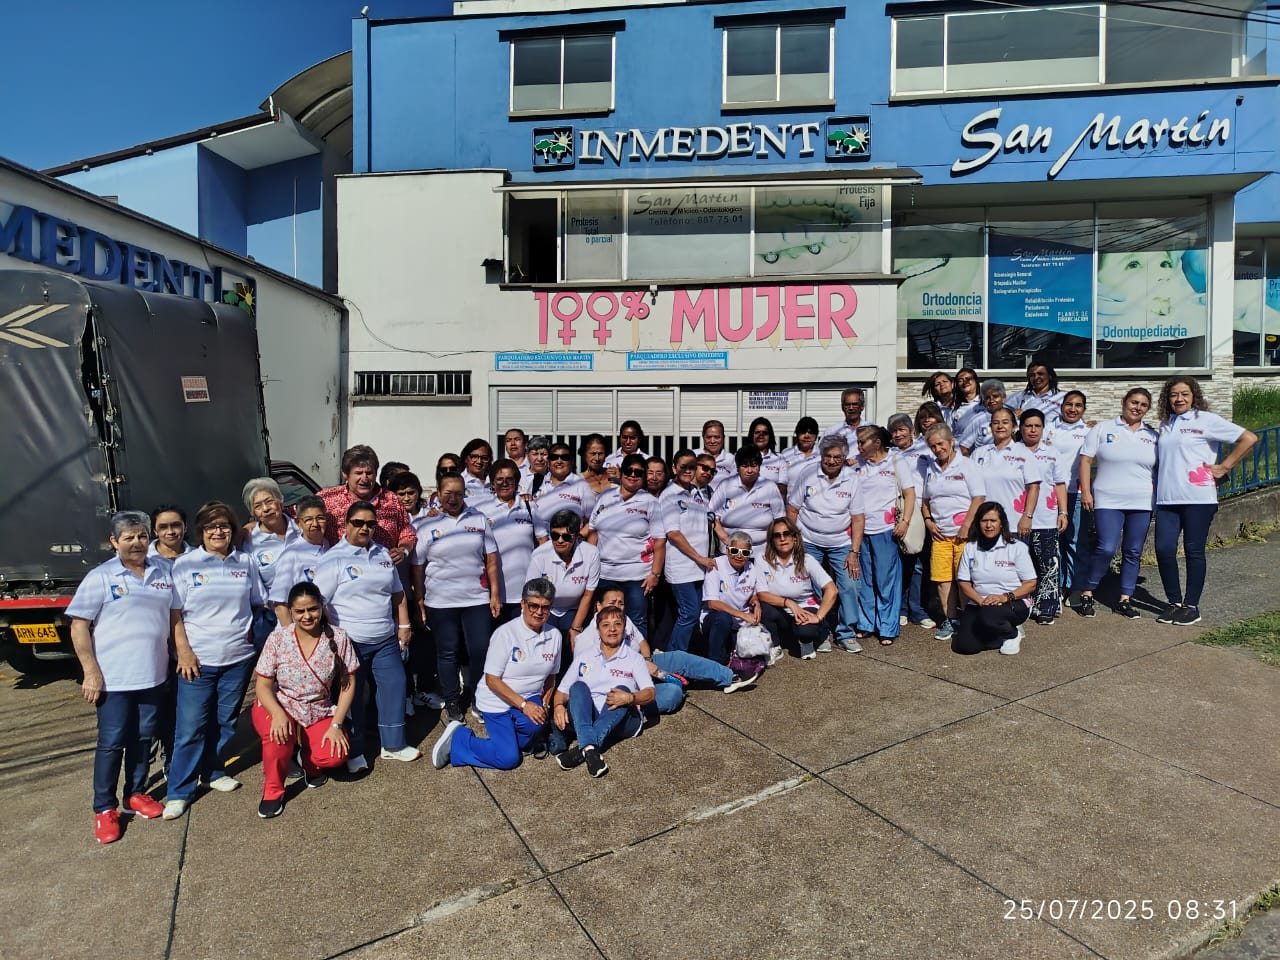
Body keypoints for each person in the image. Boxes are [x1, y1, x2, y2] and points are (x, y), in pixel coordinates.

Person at [67, 510, 177, 843]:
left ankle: (135, 794)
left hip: (152, 676)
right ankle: (104, 808)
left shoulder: (162, 572)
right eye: (128, 538)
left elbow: (174, 617)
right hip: (113, 680)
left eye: (142, 536)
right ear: (114, 542)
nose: (137, 543)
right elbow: (79, 626)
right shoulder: (101, 576)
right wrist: (90, 672)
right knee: (112, 743)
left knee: (143, 739)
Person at [164, 501, 264, 820]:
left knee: (225, 722)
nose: (218, 532)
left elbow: (259, 602)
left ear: (232, 530)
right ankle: (179, 791)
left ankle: (213, 771)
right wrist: (183, 651)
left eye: (224, 526)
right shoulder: (186, 564)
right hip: (198, 661)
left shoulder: (245, 562)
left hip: (238, 658)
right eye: (211, 527)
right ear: (201, 532)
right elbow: (174, 613)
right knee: (190, 728)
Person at [315, 500, 418, 771]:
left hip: (385, 638)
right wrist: (333, 634)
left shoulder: (382, 553)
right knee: (353, 696)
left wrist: (404, 625)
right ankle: (354, 751)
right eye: (358, 523)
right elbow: (319, 602)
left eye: (371, 524)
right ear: (345, 524)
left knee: (395, 684)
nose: (365, 528)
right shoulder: (333, 558)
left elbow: (398, 594)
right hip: (351, 641)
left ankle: (393, 745)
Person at [1153, 377, 1257, 625]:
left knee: (1193, 550)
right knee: (1164, 549)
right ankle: (1174, 603)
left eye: (1185, 394)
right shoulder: (1166, 424)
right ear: (1167, 398)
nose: (1179, 399)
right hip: (1167, 498)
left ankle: (1191, 606)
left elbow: (1249, 438)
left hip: (1198, 498)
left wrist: (1225, 466)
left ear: (1194, 396)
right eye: (1174, 394)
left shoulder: (1205, 420)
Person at [252, 582, 359, 818]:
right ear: (290, 611)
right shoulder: (278, 638)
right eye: (300, 611)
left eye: (312, 609)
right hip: (280, 704)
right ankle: (273, 791)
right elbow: (263, 686)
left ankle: (309, 762)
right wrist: (278, 714)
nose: (307, 616)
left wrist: (336, 724)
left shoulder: (339, 637)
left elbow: (348, 683)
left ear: (321, 607)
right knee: (278, 735)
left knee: (334, 755)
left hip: (317, 708)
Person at [432, 578, 562, 770]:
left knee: (536, 725)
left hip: (529, 695)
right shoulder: (505, 634)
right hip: (497, 700)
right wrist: (524, 705)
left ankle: (507, 741)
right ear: (522, 604)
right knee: (508, 759)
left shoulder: (555, 636)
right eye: (533, 605)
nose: (539, 612)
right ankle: (459, 740)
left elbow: (552, 675)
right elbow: (492, 680)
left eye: (545, 607)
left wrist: (545, 703)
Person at [574, 586, 759, 718]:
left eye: (620, 603)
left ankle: (731, 678)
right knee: (673, 694)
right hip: (624, 686)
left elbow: (642, 642)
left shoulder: (623, 619)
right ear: (598, 606)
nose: (617, 606)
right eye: (611, 603)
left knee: (680, 657)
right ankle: (636, 709)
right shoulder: (586, 639)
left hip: (644, 664)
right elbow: (591, 679)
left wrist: (647, 660)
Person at [413, 473, 502, 724]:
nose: (453, 498)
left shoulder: (478, 519)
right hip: (440, 601)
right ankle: (452, 701)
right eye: (448, 493)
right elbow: (417, 567)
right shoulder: (426, 524)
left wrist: (495, 594)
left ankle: (479, 699)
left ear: (465, 493)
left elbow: (491, 560)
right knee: (448, 652)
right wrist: (419, 601)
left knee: (480, 649)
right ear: (438, 493)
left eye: (459, 493)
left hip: (476, 599)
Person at [1076, 389, 1159, 620]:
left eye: (1143, 405)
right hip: (1108, 499)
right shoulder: (1102, 428)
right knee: (1106, 548)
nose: (1137, 407)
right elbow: (1085, 460)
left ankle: (1125, 599)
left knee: (1133, 551)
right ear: (1123, 402)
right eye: (1134, 402)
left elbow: (1165, 466)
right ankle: (1087, 591)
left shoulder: (1153, 436)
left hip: (1141, 501)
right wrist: (1086, 492)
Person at [552, 604, 655, 777]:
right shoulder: (584, 657)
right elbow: (562, 692)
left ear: (624, 628)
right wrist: (558, 706)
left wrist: (630, 698)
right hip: (592, 716)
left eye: (617, 624)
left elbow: (650, 693)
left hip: (623, 720)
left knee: (621, 690)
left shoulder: (634, 659)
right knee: (577, 687)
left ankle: (584, 747)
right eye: (606, 625)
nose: (612, 629)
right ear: (598, 630)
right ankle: (590, 750)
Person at [786, 435, 864, 652]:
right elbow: (792, 509)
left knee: (850, 584)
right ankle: (820, 632)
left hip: (841, 541)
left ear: (844, 458)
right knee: (813, 585)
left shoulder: (852, 478)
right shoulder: (808, 473)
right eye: (827, 456)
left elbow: (858, 518)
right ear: (821, 455)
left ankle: (846, 633)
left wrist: (854, 552)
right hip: (809, 539)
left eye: (837, 457)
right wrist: (795, 542)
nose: (831, 461)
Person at [584, 452, 666, 637]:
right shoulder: (605, 497)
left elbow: (660, 541)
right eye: (629, 471)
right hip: (604, 573)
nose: (633, 475)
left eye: (638, 472)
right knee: (603, 619)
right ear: (621, 473)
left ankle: (639, 655)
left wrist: (655, 574)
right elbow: (593, 532)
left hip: (636, 576)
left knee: (637, 621)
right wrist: (588, 566)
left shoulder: (650, 502)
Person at [920, 424, 986, 641]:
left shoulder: (967, 465)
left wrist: (967, 525)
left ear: (951, 442)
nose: (937, 449)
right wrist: (928, 521)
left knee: (964, 579)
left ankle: (968, 618)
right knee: (942, 580)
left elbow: (979, 497)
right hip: (940, 535)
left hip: (964, 535)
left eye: (941, 444)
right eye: (933, 446)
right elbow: (925, 500)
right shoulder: (931, 468)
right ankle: (950, 619)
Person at [853, 425, 914, 645]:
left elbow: (909, 494)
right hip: (860, 531)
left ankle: (887, 626)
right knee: (864, 580)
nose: (858, 446)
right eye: (857, 442)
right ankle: (866, 623)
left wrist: (905, 522)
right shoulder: (857, 463)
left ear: (877, 443)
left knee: (886, 580)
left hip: (886, 530)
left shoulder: (896, 461)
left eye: (862, 442)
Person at [951, 503, 1038, 656]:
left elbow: (1031, 584)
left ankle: (1011, 634)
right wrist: (980, 601)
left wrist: (1004, 597)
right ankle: (997, 634)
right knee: (965, 646)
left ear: (1001, 523)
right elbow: (963, 582)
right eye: (984, 521)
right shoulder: (971, 547)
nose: (989, 525)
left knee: (989, 615)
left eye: (993, 521)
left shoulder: (1016, 547)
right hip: (980, 602)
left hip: (1012, 601)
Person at [754, 516, 838, 661]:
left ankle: (806, 642)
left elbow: (832, 589)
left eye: (786, 533)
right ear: (772, 540)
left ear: (794, 537)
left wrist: (818, 616)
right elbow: (761, 594)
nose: (782, 538)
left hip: (805, 607)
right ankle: (775, 645)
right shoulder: (762, 558)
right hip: (780, 609)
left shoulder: (807, 560)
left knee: (806, 632)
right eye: (777, 535)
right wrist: (790, 604)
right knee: (764, 607)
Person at [657, 449, 716, 653]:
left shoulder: (697, 492)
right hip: (682, 567)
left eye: (692, 467)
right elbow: (673, 534)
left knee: (693, 613)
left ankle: (684, 652)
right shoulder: (669, 495)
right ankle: (675, 656)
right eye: (683, 467)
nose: (688, 471)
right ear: (674, 468)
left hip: (699, 567)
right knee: (689, 613)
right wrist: (700, 558)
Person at [318, 444, 417, 563]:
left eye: (369, 473)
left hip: (381, 570)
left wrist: (402, 550)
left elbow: (407, 534)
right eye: (358, 473)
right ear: (345, 474)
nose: (364, 479)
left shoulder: (392, 500)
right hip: (339, 569)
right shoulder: (326, 500)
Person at [1018, 409, 1070, 624]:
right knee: (1021, 564)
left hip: (1046, 517)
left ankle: (1047, 606)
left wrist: (1063, 512)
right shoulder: (1013, 451)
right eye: (1028, 425)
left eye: (1037, 426)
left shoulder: (1052, 452)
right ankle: (1022, 605)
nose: (1032, 430)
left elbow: (1060, 484)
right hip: (1017, 518)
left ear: (1043, 428)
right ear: (1020, 427)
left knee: (1047, 564)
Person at [887, 414, 935, 630]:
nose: (898, 434)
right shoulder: (890, 454)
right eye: (894, 431)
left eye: (901, 429)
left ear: (911, 430)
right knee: (903, 562)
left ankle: (917, 609)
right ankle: (902, 609)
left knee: (920, 564)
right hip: (900, 512)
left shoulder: (925, 450)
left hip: (923, 510)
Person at [525, 509, 600, 645]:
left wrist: (576, 628)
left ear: (576, 536)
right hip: (545, 608)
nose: (559, 541)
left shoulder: (591, 553)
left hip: (574, 608)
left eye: (566, 537)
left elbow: (588, 595)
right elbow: (531, 596)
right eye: (555, 535)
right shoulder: (539, 554)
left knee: (574, 643)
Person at [1046, 390, 1093, 605]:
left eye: (1078, 405)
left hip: (1076, 492)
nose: (1073, 409)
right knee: (1051, 542)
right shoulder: (1048, 428)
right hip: (1049, 493)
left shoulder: (1089, 432)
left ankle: (1075, 585)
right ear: (1061, 406)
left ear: (1084, 409)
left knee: (1075, 541)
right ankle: (1053, 585)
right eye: (1069, 404)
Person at [242, 477, 299, 650]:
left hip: (313, 613)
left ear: (280, 501)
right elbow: (257, 591)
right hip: (278, 622)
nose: (266, 509)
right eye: (258, 506)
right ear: (253, 512)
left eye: (269, 501)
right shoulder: (250, 542)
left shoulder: (301, 529)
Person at [970, 408, 1041, 542]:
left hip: (1014, 524)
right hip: (985, 525)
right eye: (996, 423)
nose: (1000, 426)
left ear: (1014, 427)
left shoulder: (1024, 453)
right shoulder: (978, 453)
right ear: (990, 426)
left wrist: (1027, 516)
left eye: (1005, 422)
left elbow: (1034, 487)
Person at [481, 459, 539, 625]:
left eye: (509, 479)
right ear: (493, 483)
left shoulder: (529, 505)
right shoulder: (483, 509)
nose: (504, 483)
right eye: (500, 479)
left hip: (525, 589)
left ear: (517, 482)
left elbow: (543, 541)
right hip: (493, 592)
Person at [712, 446, 785, 555]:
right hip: (730, 550)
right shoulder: (725, 485)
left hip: (761, 552)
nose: (750, 470)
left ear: (759, 467)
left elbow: (779, 519)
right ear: (737, 468)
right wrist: (726, 540)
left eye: (754, 466)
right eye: (745, 466)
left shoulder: (770, 486)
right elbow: (712, 517)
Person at [701, 530, 761, 664]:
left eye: (745, 552)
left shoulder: (751, 567)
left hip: (740, 622)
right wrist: (742, 615)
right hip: (715, 619)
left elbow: (752, 594)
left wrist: (756, 603)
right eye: (735, 551)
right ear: (727, 550)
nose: (739, 556)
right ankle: (714, 664)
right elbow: (712, 603)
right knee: (723, 618)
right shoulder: (716, 565)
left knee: (748, 657)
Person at [270, 495, 332, 623]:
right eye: (308, 520)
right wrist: (291, 634)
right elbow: (280, 605)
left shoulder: (328, 546)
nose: (315, 524)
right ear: (298, 523)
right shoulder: (291, 555)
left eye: (320, 518)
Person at [531, 441, 597, 539]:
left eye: (564, 457)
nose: (559, 461)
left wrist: (578, 537)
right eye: (554, 457)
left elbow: (593, 519)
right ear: (548, 461)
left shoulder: (581, 485)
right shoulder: (535, 482)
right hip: (539, 543)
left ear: (571, 461)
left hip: (570, 544)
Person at [958, 379, 1008, 454]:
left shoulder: (1013, 417)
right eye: (987, 398)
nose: (991, 400)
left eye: (995, 396)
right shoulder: (978, 420)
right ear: (984, 401)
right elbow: (963, 446)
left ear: (1003, 398)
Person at [747, 416, 789, 495]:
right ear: (751, 435)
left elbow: (782, 489)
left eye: (765, 433)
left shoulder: (779, 458)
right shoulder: (743, 456)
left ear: (770, 436)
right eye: (757, 432)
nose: (761, 435)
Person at [824, 387, 868, 452]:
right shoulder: (831, 431)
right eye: (847, 404)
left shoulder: (872, 430)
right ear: (842, 407)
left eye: (855, 404)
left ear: (862, 407)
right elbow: (821, 454)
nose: (851, 408)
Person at [779, 416, 820, 481]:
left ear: (816, 436)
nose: (806, 436)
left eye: (811, 432)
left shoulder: (822, 455)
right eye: (803, 432)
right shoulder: (786, 454)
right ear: (797, 433)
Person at [696, 419, 734, 486]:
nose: (712, 441)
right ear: (703, 437)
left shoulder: (731, 459)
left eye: (716, 437)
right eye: (709, 437)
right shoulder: (694, 456)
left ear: (723, 438)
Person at [950, 367, 982, 441]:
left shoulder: (986, 404)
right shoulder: (955, 409)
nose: (965, 382)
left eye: (968, 379)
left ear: (975, 381)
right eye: (960, 380)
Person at [580, 433, 613, 497]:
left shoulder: (615, 477)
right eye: (593, 453)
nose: (597, 458)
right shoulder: (578, 481)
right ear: (584, 455)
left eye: (600, 454)